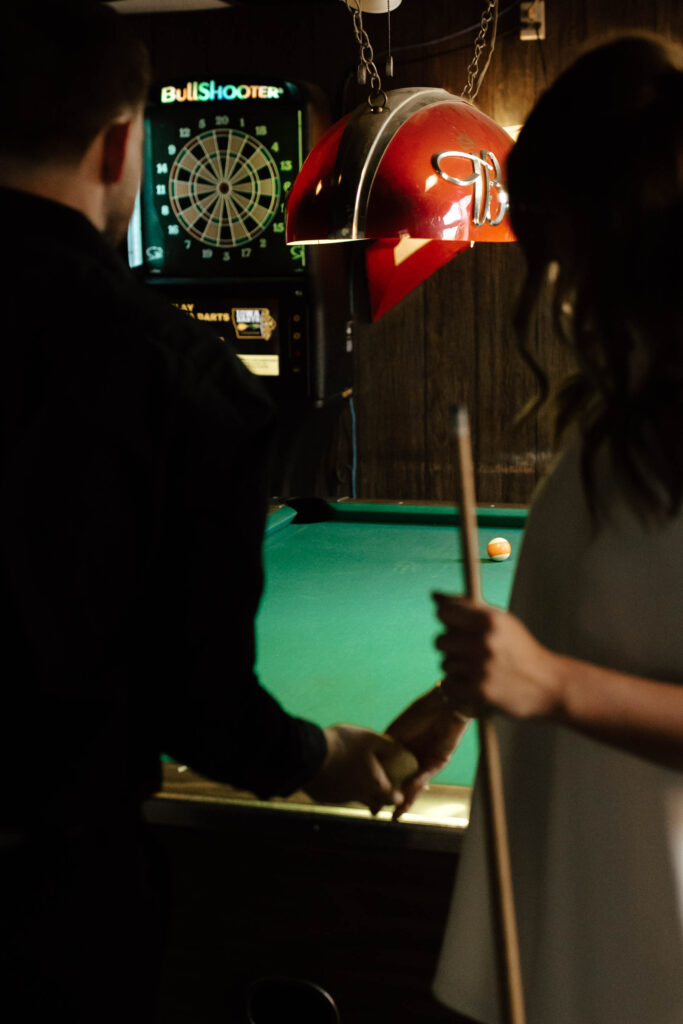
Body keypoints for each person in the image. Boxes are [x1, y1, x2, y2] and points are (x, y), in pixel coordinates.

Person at [0, 3, 410, 1021]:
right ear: (121, 145)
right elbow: (205, 709)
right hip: (53, 898)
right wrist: (324, 758)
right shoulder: (183, 379)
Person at [388, 31, 683, 1024]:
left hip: (655, 936)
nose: (556, 293)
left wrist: (545, 684)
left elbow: (567, 670)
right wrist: (466, 698)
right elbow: (599, 619)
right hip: (581, 899)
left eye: (564, 253)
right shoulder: (629, 404)